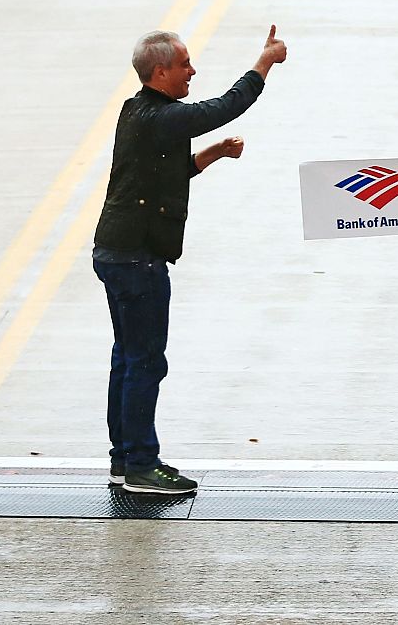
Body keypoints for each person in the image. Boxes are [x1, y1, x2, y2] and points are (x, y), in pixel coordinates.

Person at [92, 26, 287, 494]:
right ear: (160, 72)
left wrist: (212, 156)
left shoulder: (139, 111)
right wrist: (264, 62)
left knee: (128, 357)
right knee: (145, 361)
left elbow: (166, 174)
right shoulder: (162, 116)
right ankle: (141, 464)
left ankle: (124, 456)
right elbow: (225, 107)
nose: (192, 71)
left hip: (116, 252)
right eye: (184, 64)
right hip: (137, 259)